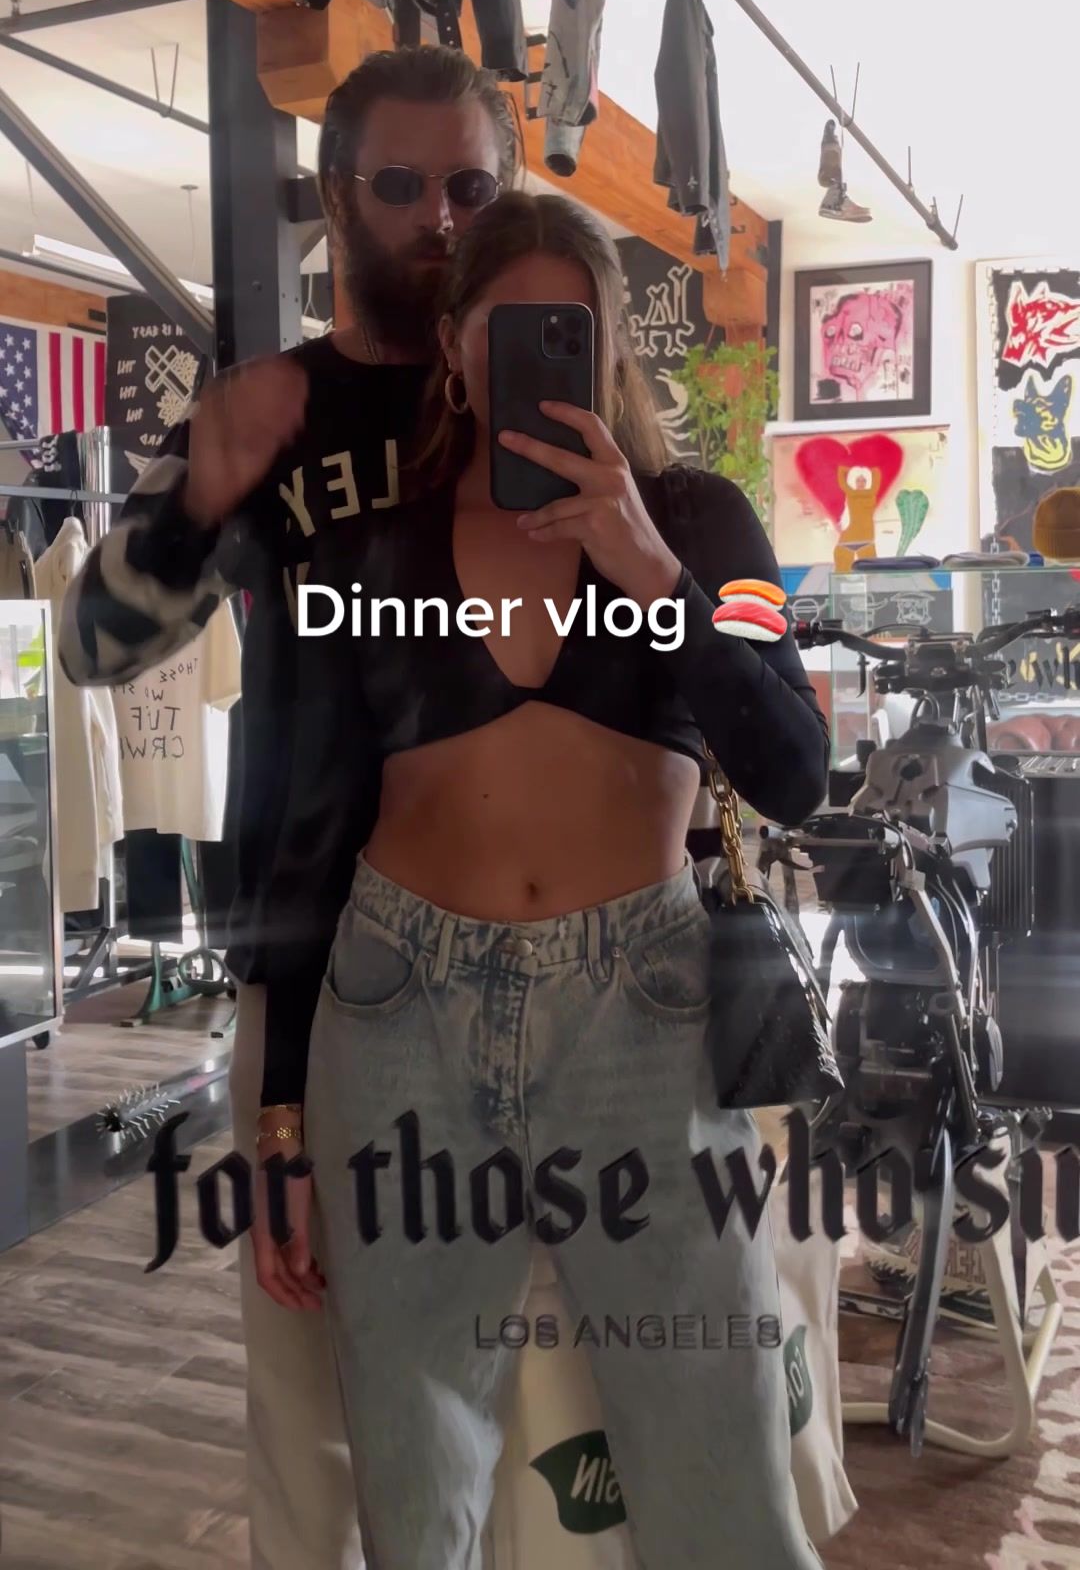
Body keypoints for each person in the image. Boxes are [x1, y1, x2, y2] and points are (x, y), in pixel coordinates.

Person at [259, 192, 831, 1569]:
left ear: (610, 341)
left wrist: (650, 570)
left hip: (646, 1012)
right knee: (413, 1473)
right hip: (396, 1012)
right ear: (457, 350)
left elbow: (796, 769)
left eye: (566, 330)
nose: (532, 356)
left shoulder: (701, 521)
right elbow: (309, 831)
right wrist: (279, 1118)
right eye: (503, 331)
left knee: (722, 1459)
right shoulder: (368, 549)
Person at [58, 45, 519, 1570]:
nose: (439, 218)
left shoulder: (543, 391)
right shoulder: (273, 410)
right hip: (318, 958)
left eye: (472, 186)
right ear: (335, 194)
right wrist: (200, 498)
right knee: (309, 1390)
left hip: (536, 951)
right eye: (402, 184)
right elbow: (91, 647)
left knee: (522, 1384)